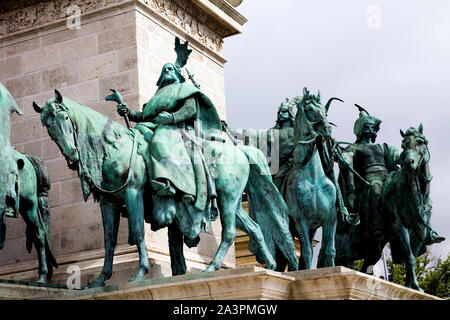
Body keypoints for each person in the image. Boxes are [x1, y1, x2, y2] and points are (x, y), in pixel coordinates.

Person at [117, 61, 223, 231]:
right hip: (151, 126)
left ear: (176, 74)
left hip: (175, 128)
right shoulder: (156, 97)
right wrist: (128, 112)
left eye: (170, 69)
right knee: (136, 142)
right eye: (164, 69)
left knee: (159, 141)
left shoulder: (183, 89)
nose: (167, 70)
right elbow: (143, 115)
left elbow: (190, 110)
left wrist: (172, 118)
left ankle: (167, 184)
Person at [337, 105, 400, 241]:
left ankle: (422, 225)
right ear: (360, 129)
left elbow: (395, 158)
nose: (370, 129)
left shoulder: (382, 146)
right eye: (367, 126)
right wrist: (343, 156)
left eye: (372, 127)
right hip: (370, 178)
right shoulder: (353, 147)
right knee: (376, 190)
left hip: (388, 176)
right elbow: (346, 159)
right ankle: (375, 225)